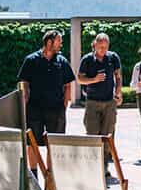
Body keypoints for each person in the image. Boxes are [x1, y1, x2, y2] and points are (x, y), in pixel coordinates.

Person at [17, 30, 75, 173]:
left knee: (54, 143)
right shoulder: (31, 60)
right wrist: (24, 101)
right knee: (32, 142)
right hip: (34, 109)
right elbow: (23, 81)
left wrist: (65, 104)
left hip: (56, 110)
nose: (61, 44)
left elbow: (68, 84)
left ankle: (51, 177)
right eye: (59, 41)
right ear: (49, 42)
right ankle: (34, 175)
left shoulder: (62, 61)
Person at [77, 32, 122, 173]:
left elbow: (118, 76)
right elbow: (79, 79)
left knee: (107, 134)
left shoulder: (113, 58)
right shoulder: (87, 60)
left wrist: (118, 92)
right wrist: (94, 80)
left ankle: (104, 166)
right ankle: (92, 166)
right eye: (100, 46)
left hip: (109, 102)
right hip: (92, 102)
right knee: (92, 134)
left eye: (105, 46)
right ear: (94, 44)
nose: (102, 49)